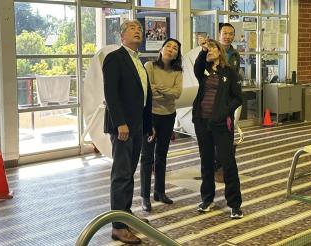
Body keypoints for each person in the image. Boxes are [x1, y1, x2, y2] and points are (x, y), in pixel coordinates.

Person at [103, 19, 154, 245]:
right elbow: (111, 94)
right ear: (122, 36)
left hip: (137, 125)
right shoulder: (114, 58)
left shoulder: (138, 61)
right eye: (132, 29)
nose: (138, 31)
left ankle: (125, 213)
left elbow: (144, 96)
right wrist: (120, 123)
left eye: (140, 29)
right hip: (122, 126)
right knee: (121, 175)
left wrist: (148, 122)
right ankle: (118, 227)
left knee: (129, 173)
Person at [192, 38, 244, 219]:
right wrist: (202, 50)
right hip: (202, 122)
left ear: (220, 51)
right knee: (206, 161)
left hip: (221, 124)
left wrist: (224, 111)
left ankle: (235, 204)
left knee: (227, 162)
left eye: (212, 48)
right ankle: (207, 199)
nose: (209, 52)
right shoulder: (203, 70)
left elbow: (238, 98)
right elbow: (197, 66)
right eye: (207, 50)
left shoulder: (230, 73)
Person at [140, 38, 183, 212]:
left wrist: (160, 89)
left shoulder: (177, 71)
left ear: (176, 55)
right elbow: (148, 90)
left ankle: (160, 192)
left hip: (168, 116)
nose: (170, 49)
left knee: (162, 155)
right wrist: (165, 92)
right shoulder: (150, 66)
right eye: (168, 46)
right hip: (150, 115)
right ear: (161, 49)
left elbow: (177, 93)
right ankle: (145, 196)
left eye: (174, 48)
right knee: (147, 157)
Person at [214, 23, 242, 183]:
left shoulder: (235, 54)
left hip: (229, 102)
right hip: (214, 102)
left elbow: (235, 77)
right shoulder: (212, 51)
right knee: (214, 136)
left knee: (228, 133)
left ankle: (224, 167)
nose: (228, 36)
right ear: (219, 34)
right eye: (225, 33)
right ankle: (216, 167)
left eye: (231, 33)